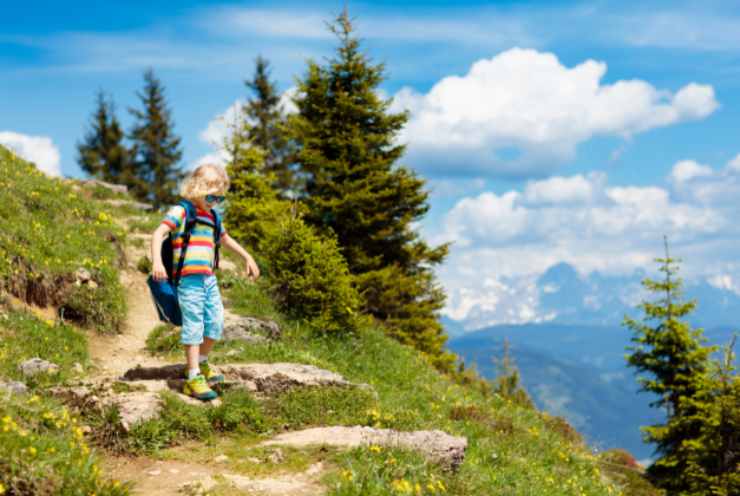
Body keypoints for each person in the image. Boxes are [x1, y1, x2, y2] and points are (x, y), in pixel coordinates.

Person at [150, 163, 260, 401]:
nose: (215, 202)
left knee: (216, 322)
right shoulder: (182, 210)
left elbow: (225, 239)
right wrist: (157, 262)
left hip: (209, 280)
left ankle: (201, 362)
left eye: (220, 198)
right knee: (194, 326)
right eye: (211, 196)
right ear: (197, 189)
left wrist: (247, 257)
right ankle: (192, 378)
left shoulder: (213, 216)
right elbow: (158, 233)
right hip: (188, 281)